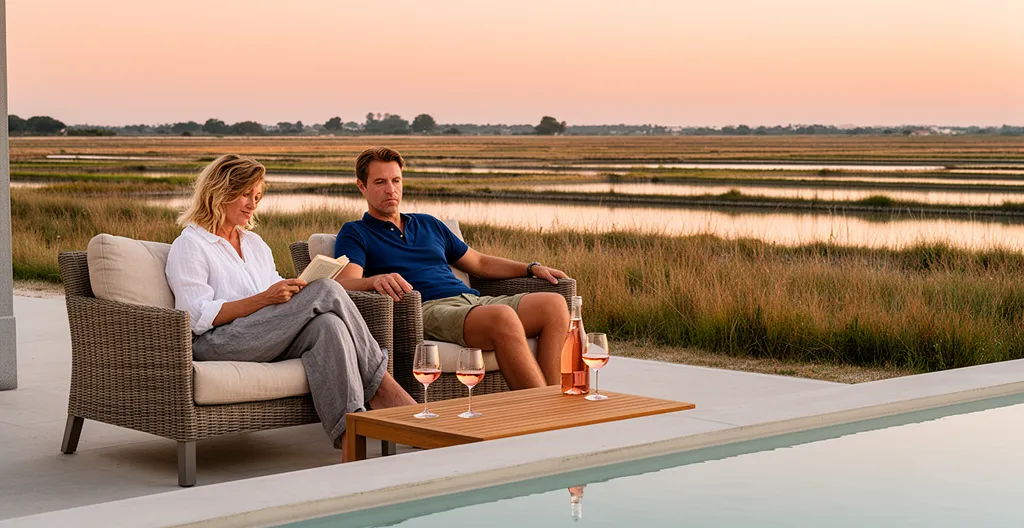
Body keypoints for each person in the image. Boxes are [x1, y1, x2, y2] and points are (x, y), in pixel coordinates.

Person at [165, 154, 415, 459]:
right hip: (217, 342)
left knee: (329, 326)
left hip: (265, 334)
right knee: (327, 288)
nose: (252, 204)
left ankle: (352, 440)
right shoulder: (191, 244)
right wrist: (266, 299)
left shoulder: (255, 243)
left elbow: (272, 287)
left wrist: (293, 288)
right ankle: (382, 385)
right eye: (245, 194)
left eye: (257, 196)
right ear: (219, 192)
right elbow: (197, 317)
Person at [334, 147, 571, 389]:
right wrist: (373, 280)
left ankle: (552, 403)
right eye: (380, 182)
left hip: (471, 301)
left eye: (396, 180)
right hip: (427, 310)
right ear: (362, 186)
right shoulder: (355, 233)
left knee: (554, 305)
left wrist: (530, 268)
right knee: (503, 316)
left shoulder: (428, 223)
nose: (391, 190)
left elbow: (478, 262)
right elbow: (343, 283)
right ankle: (538, 409)